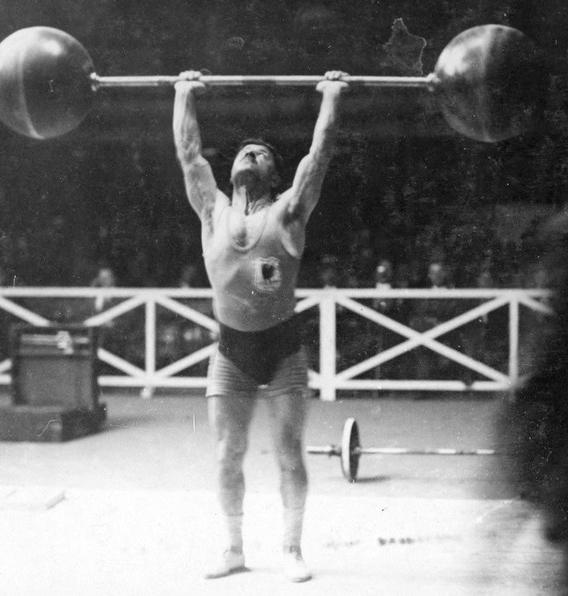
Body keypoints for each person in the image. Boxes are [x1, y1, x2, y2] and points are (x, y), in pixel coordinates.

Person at [173, 69, 347, 582]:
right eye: (243, 152)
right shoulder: (212, 211)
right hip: (230, 354)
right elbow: (189, 152)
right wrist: (184, 94)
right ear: (229, 173)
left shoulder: (289, 214)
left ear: (275, 174)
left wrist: (332, 97)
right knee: (228, 455)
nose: (250, 155)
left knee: (289, 453)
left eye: (262, 154)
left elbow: (319, 159)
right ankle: (233, 549)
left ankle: (292, 549)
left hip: (283, 350)